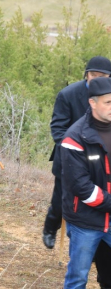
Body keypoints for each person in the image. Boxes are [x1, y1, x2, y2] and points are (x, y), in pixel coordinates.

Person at [42, 56, 111, 288]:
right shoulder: (68, 95)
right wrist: (76, 152)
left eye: (103, 76)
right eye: (94, 75)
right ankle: (50, 228)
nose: (97, 79)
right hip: (71, 164)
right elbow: (58, 128)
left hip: (104, 192)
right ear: (86, 74)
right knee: (61, 204)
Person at [61, 76, 111, 289]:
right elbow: (82, 187)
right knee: (78, 278)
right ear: (92, 102)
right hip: (84, 221)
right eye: (108, 102)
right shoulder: (74, 138)